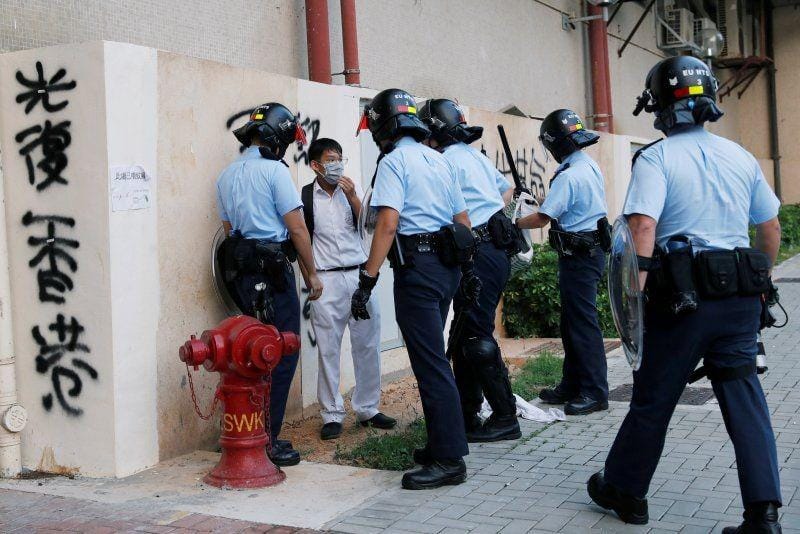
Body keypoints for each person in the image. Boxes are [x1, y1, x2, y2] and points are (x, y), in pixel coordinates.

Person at [587, 56, 783, 533]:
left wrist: (634, 298)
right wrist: (761, 286)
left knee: (654, 398)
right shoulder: (740, 155)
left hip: (682, 304)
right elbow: (770, 228)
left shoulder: (656, 157)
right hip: (739, 300)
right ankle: (765, 514)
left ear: (658, 106)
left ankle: (626, 492)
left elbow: (642, 226)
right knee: (744, 399)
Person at [350, 88, 478, 490]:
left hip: (419, 271)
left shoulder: (393, 161)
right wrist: (468, 269)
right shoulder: (438, 159)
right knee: (433, 356)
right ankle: (442, 443)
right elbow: (463, 219)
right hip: (446, 268)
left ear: (382, 125)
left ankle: (449, 459)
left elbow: (387, 223)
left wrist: (366, 280)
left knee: (430, 363)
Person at [216, 102, 324, 467]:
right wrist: (311, 274)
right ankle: (267, 438)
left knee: (251, 351)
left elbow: (230, 231)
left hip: (243, 273)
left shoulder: (227, 176)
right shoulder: (275, 174)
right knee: (280, 351)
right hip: (274, 272)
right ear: (277, 140)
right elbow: (297, 228)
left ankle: (246, 430)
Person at [418, 98, 521, 443]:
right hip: (493, 247)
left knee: (475, 335)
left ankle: (505, 416)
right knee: (463, 334)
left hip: (479, 251)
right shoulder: (472, 155)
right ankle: (467, 414)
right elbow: (505, 191)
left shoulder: (445, 161)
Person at [300, 137, 397, 440]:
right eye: (330, 159)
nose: (336, 164)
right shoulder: (305, 197)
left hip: (358, 276)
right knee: (328, 348)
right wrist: (310, 277)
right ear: (315, 165)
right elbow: (299, 240)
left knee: (367, 344)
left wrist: (354, 196)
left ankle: (368, 408)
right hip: (326, 280)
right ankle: (331, 414)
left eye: (339, 157)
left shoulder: (351, 192)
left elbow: (369, 225)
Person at [516, 109, 610, 416]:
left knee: (582, 325)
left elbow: (542, 219)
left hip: (579, 257)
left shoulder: (569, 175)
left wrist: (512, 223)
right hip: (587, 252)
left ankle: (595, 392)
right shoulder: (586, 165)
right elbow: (563, 206)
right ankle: (572, 384)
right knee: (572, 324)